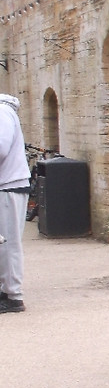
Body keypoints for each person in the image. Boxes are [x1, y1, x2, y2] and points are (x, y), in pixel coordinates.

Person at [0, 93, 31, 313]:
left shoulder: (2, 112)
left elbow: (1, 148)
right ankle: (7, 290)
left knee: (9, 243)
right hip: (8, 185)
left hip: (9, 185)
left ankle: (13, 296)